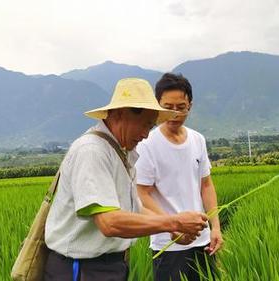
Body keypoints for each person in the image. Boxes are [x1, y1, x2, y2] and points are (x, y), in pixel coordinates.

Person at [43, 78, 209, 281]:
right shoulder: (93, 151)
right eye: (145, 125)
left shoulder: (122, 152)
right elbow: (109, 223)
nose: (146, 135)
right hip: (82, 269)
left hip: (109, 265)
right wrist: (173, 222)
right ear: (120, 114)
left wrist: (174, 228)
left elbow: (135, 208)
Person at [136, 73, 223, 281]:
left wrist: (216, 227)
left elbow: (206, 185)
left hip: (202, 241)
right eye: (168, 107)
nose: (174, 113)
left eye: (180, 107)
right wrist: (173, 225)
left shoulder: (197, 140)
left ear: (189, 106)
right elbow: (142, 194)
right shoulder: (147, 144)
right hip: (168, 244)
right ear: (158, 105)